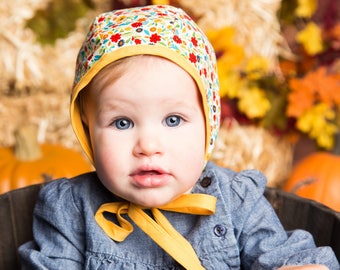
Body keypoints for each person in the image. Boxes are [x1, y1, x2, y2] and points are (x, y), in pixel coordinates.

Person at [19, 5, 339, 269]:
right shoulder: (70, 209)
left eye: (173, 120)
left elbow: (281, 254)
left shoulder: (236, 200)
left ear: (208, 123)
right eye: (121, 123)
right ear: (88, 130)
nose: (148, 146)